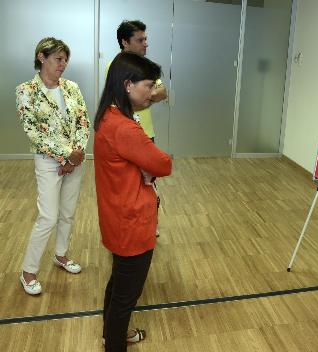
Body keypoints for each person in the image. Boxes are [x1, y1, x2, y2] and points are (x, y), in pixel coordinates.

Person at [94, 51, 172, 351]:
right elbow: (163, 164)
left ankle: (111, 335)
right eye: (148, 86)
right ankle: (115, 342)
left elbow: (145, 163)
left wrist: (145, 166)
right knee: (125, 297)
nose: (152, 92)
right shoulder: (124, 127)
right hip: (131, 222)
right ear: (128, 85)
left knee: (118, 287)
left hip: (117, 217)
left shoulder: (109, 116)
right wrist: (152, 165)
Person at [16, 37, 89, 295]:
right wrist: (67, 155)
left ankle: (60, 255)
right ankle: (28, 271)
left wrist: (76, 154)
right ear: (41, 57)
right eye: (58, 58)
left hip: (75, 160)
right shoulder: (26, 91)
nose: (64, 64)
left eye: (65, 59)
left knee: (68, 212)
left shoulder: (72, 88)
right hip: (49, 162)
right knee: (48, 216)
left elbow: (83, 121)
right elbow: (33, 131)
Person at [112, 19, 169, 236]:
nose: (146, 44)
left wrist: (144, 95)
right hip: (126, 138)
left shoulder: (147, 67)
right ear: (125, 42)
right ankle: (126, 231)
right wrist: (149, 95)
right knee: (128, 187)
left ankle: (148, 226)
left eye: (146, 39)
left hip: (147, 134)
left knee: (149, 183)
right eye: (140, 40)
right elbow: (119, 99)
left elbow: (163, 92)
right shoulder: (115, 67)